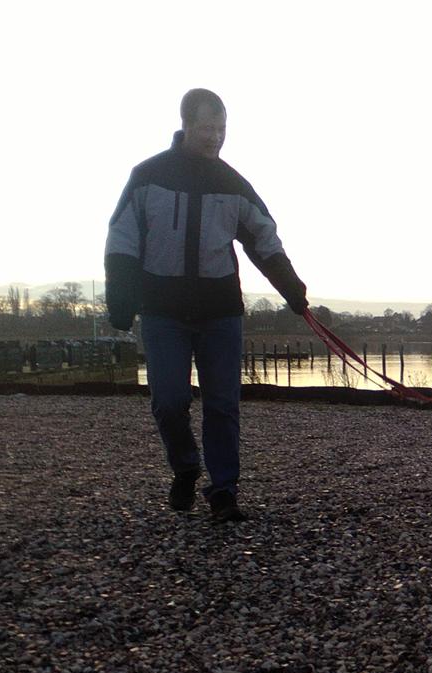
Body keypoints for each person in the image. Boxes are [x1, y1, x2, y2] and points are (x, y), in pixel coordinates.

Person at [105, 88, 308, 522]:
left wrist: (292, 289)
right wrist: (121, 299)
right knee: (168, 400)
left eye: (221, 128)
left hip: (221, 312)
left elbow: (264, 239)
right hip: (162, 311)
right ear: (185, 125)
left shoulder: (233, 183)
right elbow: (122, 237)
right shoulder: (147, 176)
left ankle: (223, 490)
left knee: (222, 404)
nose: (215, 137)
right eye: (207, 128)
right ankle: (185, 465)